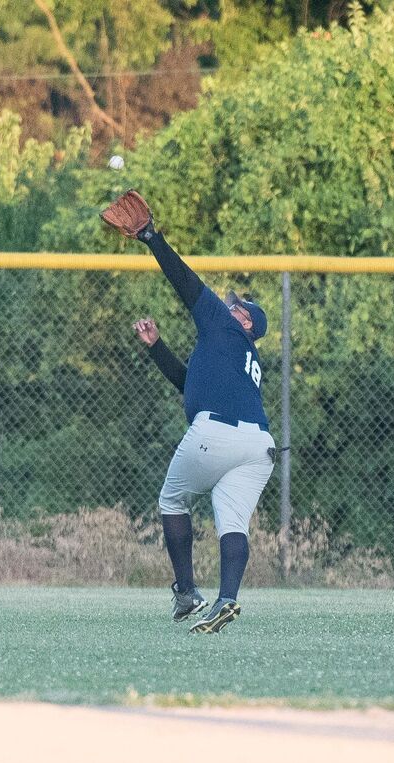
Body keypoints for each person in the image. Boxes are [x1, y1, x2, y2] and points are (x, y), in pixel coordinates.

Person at [104, 194, 275, 633]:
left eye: (236, 305)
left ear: (245, 322)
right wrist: (157, 348)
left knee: (172, 500)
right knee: (232, 519)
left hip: (215, 433)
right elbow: (191, 390)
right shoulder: (239, 357)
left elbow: (185, 281)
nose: (226, 303)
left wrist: (151, 238)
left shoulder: (224, 325)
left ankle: (186, 592)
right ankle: (227, 599)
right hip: (258, 446)